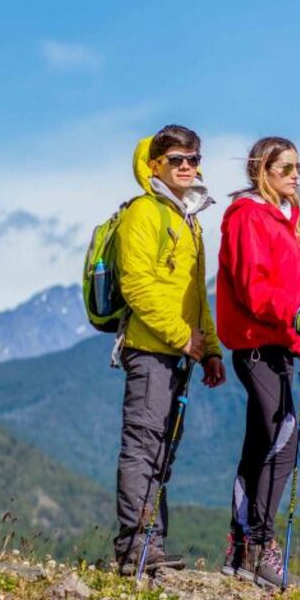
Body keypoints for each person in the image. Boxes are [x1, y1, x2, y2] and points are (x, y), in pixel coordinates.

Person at [113, 124, 226, 575]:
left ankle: (150, 545)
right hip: (149, 350)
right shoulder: (143, 212)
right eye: (176, 159)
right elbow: (136, 285)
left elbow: (197, 294)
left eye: (193, 159)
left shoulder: (188, 219)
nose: (186, 167)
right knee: (143, 445)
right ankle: (135, 548)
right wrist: (183, 338)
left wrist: (211, 348)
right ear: (155, 164)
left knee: (163, 449)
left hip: (181, 353)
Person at [215, 136, 300, 588]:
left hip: (282, 346)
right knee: (281, 439)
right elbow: (250, 287)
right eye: (286, 168)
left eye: (299, 167)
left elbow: (299, 297)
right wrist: (294, 316)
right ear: (263, 170)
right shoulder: (247, 217)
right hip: (256, 347)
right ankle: (257, 545)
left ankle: (244, 549)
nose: (296, 175)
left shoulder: (288, 220)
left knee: (266, 441)